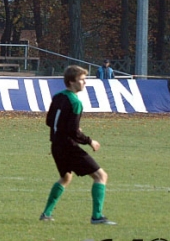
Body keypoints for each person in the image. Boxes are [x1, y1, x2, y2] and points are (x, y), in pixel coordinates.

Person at [40, 65, 115, 225]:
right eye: (82, 79)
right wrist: (90, 141)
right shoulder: (76, 102)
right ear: (72, 81)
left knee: (65, 177)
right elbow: (74, 132)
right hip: (69, 147)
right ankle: (97, 216)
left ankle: (46, 214)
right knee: (101, 176)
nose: (84, 83)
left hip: (56, 146)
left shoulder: (58, 97)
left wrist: (67, 127)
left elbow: (49, 121)